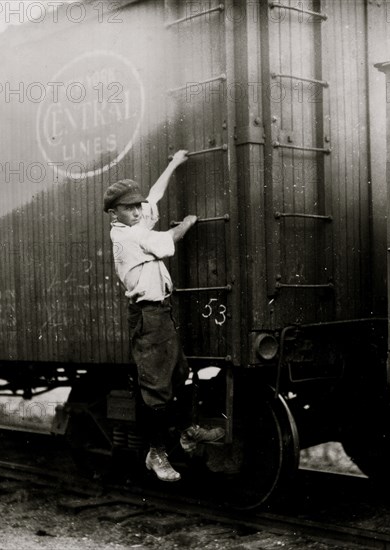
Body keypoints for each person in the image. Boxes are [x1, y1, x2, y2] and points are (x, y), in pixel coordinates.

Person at [103, 150, 224, 482]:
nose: (137, 211)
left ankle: (186, 432)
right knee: (156, 388)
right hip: (148, 316)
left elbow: (153, 197)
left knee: (180, 373)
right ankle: (156, 453)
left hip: (160, 313)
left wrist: (173, 163)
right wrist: (186, 224)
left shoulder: (134, 224)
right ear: (114, 214)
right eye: (129, 208)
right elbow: (168, 239)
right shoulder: (126, 235)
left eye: (136, 207)